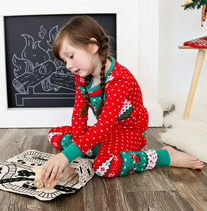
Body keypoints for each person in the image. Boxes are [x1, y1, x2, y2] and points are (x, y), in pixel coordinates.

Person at [41, 15, 204, 184]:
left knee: (103, 167)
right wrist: (75, 148)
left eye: (71, 56)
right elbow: (79, 115)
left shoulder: (119, 79)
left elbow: (104, 125)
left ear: (93, 46)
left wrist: (67, 155)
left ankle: (164, 156)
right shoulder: (82, 76)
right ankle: (97, 147)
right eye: (64, 60)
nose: (68, 65)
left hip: (130, 133)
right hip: (105, 133)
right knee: (55, 134)